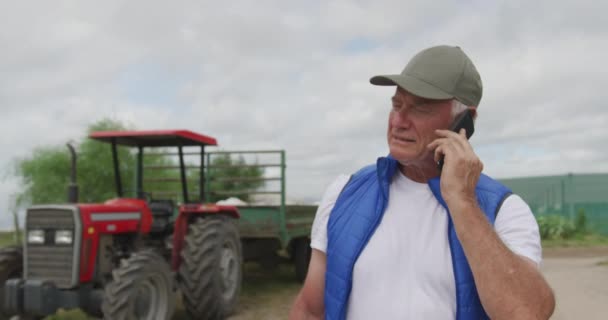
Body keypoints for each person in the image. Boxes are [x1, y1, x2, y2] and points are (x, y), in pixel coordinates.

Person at [289, 45, 555, 320]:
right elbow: (310, 310)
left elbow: (527, 313)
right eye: (397, 105)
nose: (399, 121)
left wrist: (462, 201)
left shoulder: (504, 210)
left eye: (421, 107)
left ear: (465, 120)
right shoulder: (343, 193)